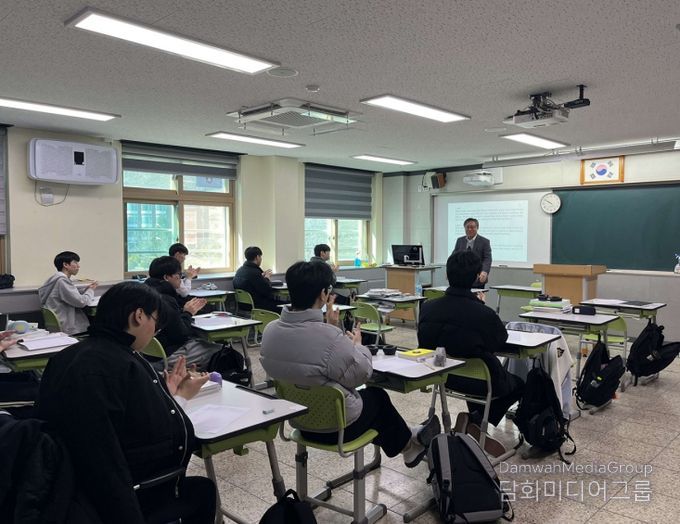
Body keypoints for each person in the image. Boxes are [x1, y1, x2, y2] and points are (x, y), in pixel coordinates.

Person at [36, 282, 216, 524]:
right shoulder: (123, 365)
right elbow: (165, 435)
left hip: (60, 483)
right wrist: (181, 397)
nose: (154, 331)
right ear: (139, 316)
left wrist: (165, 394)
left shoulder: (67, 356)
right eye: (155, 321)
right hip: (120, 497)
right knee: (203, 490)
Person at [260, 261, 440, 467]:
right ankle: (409, 445)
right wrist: (357, 346)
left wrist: (331, 329)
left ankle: (410, 436)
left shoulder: (270, 331)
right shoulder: (329, 337)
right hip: (336, 428)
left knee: (372, 406)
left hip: (299, 421)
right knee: (377, 397)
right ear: (323, 294)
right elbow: (361, 375)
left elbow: (307, 359)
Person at [417, 250, 524, 457]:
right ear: (476, 277)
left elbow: (424, 344)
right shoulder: (483, 313)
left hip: (443, 378)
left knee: (478, 374)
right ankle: (475, 420)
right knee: (518, 384)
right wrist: (479, 305)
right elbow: (499, 342)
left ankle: (473, 420)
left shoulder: (428, 308)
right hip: (482, 382)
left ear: (447, 275)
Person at [145, 256, 221, 369]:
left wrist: (183, 312)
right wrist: (188, 313)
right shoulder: (166, 300)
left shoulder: (145, 293)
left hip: (146, 352)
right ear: (166, 277)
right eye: (179, 275)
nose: (180, 279)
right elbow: (181, 334)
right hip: (166, 355)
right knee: (221, 352)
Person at [38, 251, 98, 335]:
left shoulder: (55, 280)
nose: (78, 266)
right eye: (75, 262)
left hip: (59, 324)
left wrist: (86, 290)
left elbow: (71, 295)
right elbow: (81, 302)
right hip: (68, 328)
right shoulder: (62, 281)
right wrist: (91, 290)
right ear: (65, 265)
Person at [232, 246, 281, 312]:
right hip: (258, 305)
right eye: (260, 257)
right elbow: (267, 291)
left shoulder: (240, 270)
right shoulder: (255, 272)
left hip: (243, 305)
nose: (261, 259)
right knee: (286, 305)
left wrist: (261, 277)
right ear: (257, 257)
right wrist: (267, 278)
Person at [452, 218, 491, 288]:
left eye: (472, 227)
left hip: (478, 278)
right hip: (461, 278)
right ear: (464, 228)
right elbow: (454, 257)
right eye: (467, 227)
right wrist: (450, 269)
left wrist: (484, 271)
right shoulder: (460, 240)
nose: (469, 229)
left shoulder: (484, 241)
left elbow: (487, 259)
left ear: (477, 228)